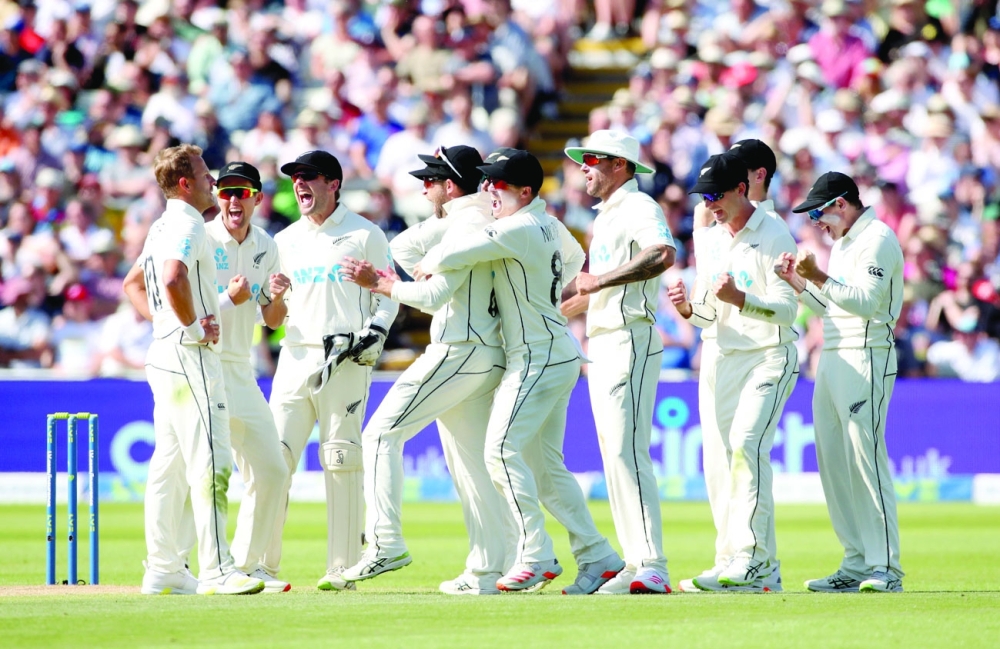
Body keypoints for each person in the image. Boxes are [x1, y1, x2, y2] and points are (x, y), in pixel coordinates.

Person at [416, 150, 623, 594]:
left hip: (538, 356)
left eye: (498, 184)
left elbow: (455, 250)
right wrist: (543, 298)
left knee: (500, 452)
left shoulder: (519, 227)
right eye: (487, 182)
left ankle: (536, 554)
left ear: (525, 192)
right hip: (556, 351)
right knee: (547, 469)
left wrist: (430, 262)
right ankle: (598, 555)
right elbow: (571, 260)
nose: (488, 189)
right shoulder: (548, 225)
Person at [337, 145, 515, 595]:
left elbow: (433, 297)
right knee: (472, 468)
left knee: (380, 434)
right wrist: (442, 223)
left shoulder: (470, 224)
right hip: (480, 350)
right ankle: (490, 569)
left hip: (460, 348)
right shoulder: (466, 220)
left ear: (450, 184)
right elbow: (399, 247)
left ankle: (386, 543)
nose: (422, 187)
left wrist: (382, 284)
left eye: (431, 180)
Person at [122, 144, 264, 596]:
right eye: (205, 174)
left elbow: (133, 285)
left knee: (169, 463)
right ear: (185, 183)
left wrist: (167, 323)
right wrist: (192, 328)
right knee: (212, 458)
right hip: (189, 357)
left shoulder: (160, 224)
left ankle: (163, 567)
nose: (213, 181)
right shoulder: (186, 223)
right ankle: (218, 570)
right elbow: (171, 278)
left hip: (163, 354)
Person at [264, 150, 399, 591]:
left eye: (309, 177)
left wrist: (372, 337)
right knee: (273, 461)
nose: (299, 185)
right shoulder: (283, 240)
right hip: (294, 355)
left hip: (343, 357)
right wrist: (276, 297)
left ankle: (341, 569)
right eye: (295, 178)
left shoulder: (365, 233)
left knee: (341, 459)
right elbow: (273, 314)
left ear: (333, 183)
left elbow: (389, 294)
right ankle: (261, 567)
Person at [667, 153, 799, 592]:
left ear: (742, 189)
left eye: (716, 195)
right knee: (725, 460)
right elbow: (708, 314)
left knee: (746, 446)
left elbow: (787, 310)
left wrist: (742, 300)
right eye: (704, 197)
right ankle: (738, 562)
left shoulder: (775, 232)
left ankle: (755, 560)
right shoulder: (714, 238)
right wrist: (688, 308)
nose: (710, 204)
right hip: (725, 357)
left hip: (768, 355)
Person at [775, 171, 905, 593]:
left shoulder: (877, 238)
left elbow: (867, 304)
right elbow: (832, 308)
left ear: (842, 204)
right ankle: (854, 562)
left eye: (819, 213)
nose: (817, 223)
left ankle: (885, 567)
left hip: (867, 355)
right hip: (831, 356)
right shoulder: (846, 242)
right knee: (834, 463)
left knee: (864, 460)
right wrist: (797, 282)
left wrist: (818, 276)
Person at [560, 130, 676, 595]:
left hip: (631, 337)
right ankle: (633, 560)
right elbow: (599, 289)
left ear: (620, 165)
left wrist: (600, 281)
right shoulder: (606, 216)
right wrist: (566, 309)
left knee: (628, 451)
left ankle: (654, 564)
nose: (583, 166)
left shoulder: (639, 207)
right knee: (614, 457)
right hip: (604, 339)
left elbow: (663, 254)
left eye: (592, 158)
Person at [205, 161, 292, 592]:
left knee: (272, 470)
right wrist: (227, 297)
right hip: (203, 365)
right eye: (226, 192)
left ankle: (249, 564)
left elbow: (271, 318)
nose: (234, 200)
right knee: (209, 471)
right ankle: (199, 569)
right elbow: (178, 307)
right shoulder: (202, 239)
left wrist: (276, 298)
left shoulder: (266, 246)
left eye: (242, 192)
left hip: (241, 368)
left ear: (258, 197)